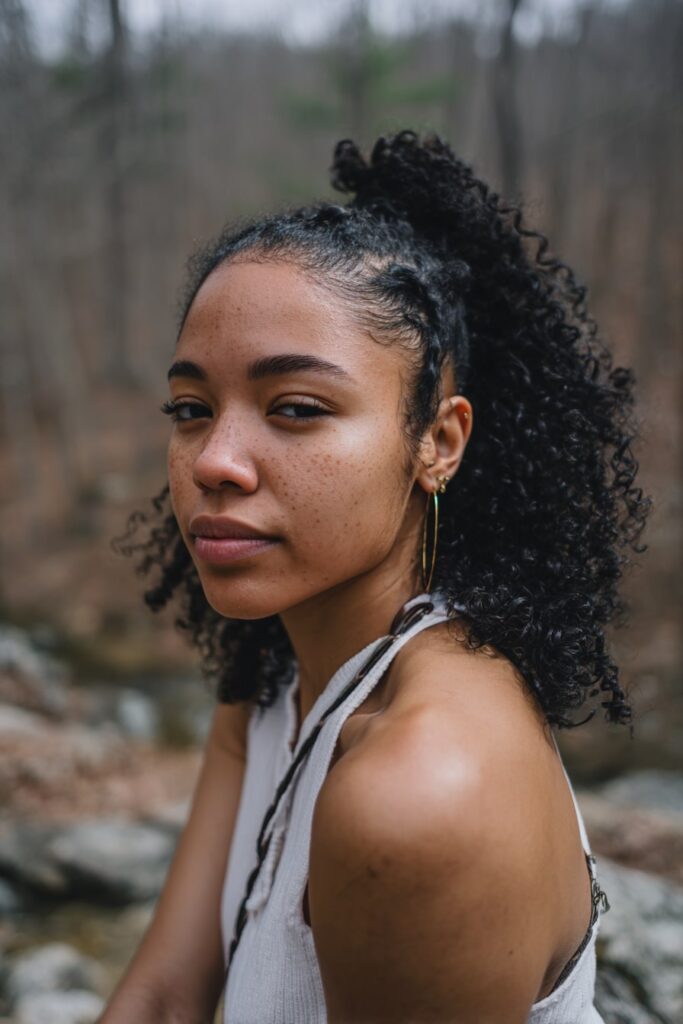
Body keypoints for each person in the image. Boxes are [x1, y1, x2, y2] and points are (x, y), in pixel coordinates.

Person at [103, 130, 651, 1023]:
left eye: (297, 409)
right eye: (191, 408)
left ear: (436, 442)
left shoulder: (419, 793)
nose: (215, 460)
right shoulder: (279, 662)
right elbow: (169, 993)